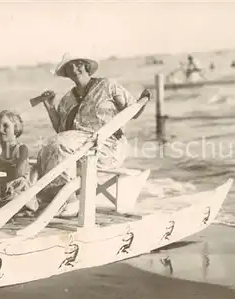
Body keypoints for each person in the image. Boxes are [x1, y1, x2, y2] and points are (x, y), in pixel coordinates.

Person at [35, 54, 150, 216]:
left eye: (78, 64)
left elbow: (134, 111)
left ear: (86, 66)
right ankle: (51, 198)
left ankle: (69, 200)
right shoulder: (67, 99)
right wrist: (50, 107)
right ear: (67, 73)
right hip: (78, 147)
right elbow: (62, 132)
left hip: (108, 146)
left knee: (58, 145)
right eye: (69, 67)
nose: (75, 69)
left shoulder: (108, 86)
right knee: (46, 148)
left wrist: (143, 101)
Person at [0, 110, 39, 215]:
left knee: (16, 196)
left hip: (17, 188)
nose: (0, 129)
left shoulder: (21, 148)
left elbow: (18, 173)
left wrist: (4, 169)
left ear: (16, 128)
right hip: (0, 187)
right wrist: (10, 166)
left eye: (5, 126)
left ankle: (22, 209)